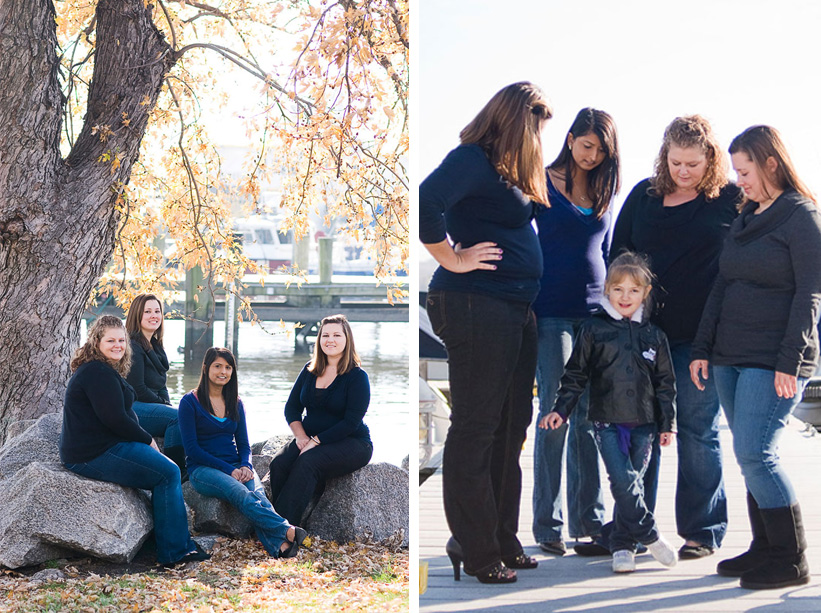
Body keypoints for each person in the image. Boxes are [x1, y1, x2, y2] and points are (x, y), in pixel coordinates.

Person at [420, 81, 553, 584]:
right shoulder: (472, 159)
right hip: (476, 304)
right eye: (536, 126)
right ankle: (477, 551)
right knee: (476, 426)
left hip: (516, 306)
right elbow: (425, 201)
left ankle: (500, 537)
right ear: (517, 121)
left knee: (512, 425)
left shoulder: (512, 170)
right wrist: (454, 258)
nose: (540, 137)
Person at [690, 125, 821, 590]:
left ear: (770, 164)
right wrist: (704, 347)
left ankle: (790, 559)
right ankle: (764, 547)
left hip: (774, 358)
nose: (737, 181)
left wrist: (791, 359)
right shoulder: (746, 218)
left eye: (744, 171)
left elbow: (811, 292)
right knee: (748, 457)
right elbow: (723, 285)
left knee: (756, 453)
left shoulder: (801, 217)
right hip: (730, 355)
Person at [608, 115, 742, 559]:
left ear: (711, 160)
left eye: (694, 164)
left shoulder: (729, 200)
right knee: (641, 431)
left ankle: (702, 530)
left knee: (697, 430)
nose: (684, 172)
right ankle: (635, 528)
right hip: (644, 336)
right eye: (677, 162)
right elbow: (618, 257)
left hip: (703, 338)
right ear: (665, 155)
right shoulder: (644, 197)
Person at [542, 252, 677, 574]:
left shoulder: (654, 335)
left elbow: (666, 384)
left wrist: (667, 423)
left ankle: (623, 546)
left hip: (644, 423)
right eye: (618, 290)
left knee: (634, 484)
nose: (625, 297)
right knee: (622, 480)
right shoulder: (593, 329)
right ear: (606, 290)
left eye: (633, 290)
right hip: (607, 422)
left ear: (645, 292)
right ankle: (651, 535)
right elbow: (575, 375)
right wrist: (561, 409)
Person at [531, 107, 620, 556]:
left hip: (595, 317)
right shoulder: (540, 181)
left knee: (589, 417)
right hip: (550, 314)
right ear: (569, 140)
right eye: (587, 146)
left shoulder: (604, 187)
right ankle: (547, 525)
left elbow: (607, 252)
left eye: (601, 150)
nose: (592, 156)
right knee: (554, 412)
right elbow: (515, 236)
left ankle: (590, 521)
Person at [60, 315, 209, 566]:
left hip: (105, 445)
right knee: (168, 473)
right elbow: (115, 418)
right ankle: (174, 552)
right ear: (97, 342)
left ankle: (177, 544)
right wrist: (146, 439)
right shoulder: (97, 371)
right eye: (110, 340)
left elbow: (116, 416)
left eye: (121, 340)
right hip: (91, 454)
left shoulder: (104, 368)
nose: (117, 345)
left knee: (166, 471)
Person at [179, 347, 309, 558]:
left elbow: (244, 445)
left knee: (258, 495)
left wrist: (246, 466)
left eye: (228, 367)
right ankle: (287, 530)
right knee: (240, 493)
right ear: (205, 368)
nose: (223, 371)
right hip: (203, 470)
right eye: (217, 366)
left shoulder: (236, 403)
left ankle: (280, 547)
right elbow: (192, 449)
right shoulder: (189, 402)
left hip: (236, 466)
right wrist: (229, 470)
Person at [268, 314, 373, 526]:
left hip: (352, 442)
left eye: (336, 335)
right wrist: (300, 437)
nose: (330, 340)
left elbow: (350, 422)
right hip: (308, 437)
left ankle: (283, 533)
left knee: (308, 462)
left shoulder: (357, 377)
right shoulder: (309, 370)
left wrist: (315, 442)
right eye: (325, 335)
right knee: (279, 463)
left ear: (347, 339)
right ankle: (279, 522)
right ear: (319, 340)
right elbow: (292, 408)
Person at [125, 293, 186, 477]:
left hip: (149, 405)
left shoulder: (156, 346)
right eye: (148, 311)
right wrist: (164, 406)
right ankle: (177, 470)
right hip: (132, 407)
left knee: (186, 413)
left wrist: (165, 403)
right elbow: (137, 388)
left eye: (157, 311)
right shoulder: (133, 346)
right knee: (176, 417)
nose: (154, 315)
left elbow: (161, 385)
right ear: (137, 315)